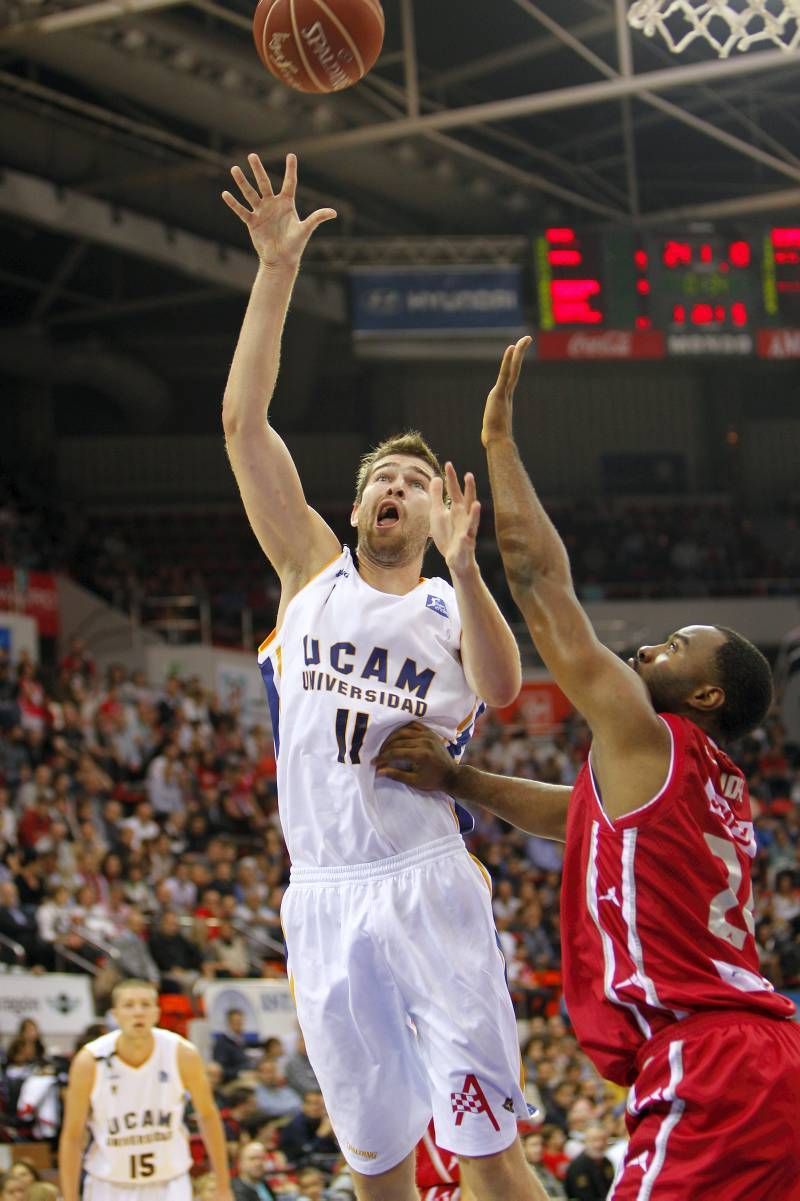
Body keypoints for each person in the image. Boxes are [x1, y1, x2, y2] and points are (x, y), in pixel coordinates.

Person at [375, 339, 800, 1200]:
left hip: (711, 1060)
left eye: (677, 647)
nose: (650, 646)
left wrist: (498, 441)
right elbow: (577, 815)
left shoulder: (650, 734)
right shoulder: (701, 781)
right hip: (758, 1057)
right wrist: (461, 783)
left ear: (709, 692)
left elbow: (540, 582)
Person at [221, 152, 543, 1201]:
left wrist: (467, 564)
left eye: (412, 478)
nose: (396, 488)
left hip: (425, 877)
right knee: (374, 1160)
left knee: (489, 1142)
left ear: (432, 507)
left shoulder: (449, 601)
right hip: (319, 890)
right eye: (381, 481)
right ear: (357, 508)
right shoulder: (307, 570)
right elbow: (243, 424)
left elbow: (499, 691)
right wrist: (274, 272)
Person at [59, 977, 233, 1201]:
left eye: (145, 1005)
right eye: (129, 1005)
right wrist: (70, 1197)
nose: (138, 1012)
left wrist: (223, 1186)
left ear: (157, 1013)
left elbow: (208, 1116)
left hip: (170, 1184)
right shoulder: (89, 1061)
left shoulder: (182, 1054)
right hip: (109, 1186)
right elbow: (72, 1136)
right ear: (115, 1014)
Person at [562, 1126, 615, 1201]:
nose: (599, 1144)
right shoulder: (578, 1166)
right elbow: (583, 1197)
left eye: (603, 1139)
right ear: (585, 1141)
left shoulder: (607, 1163)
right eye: (594, 1140)